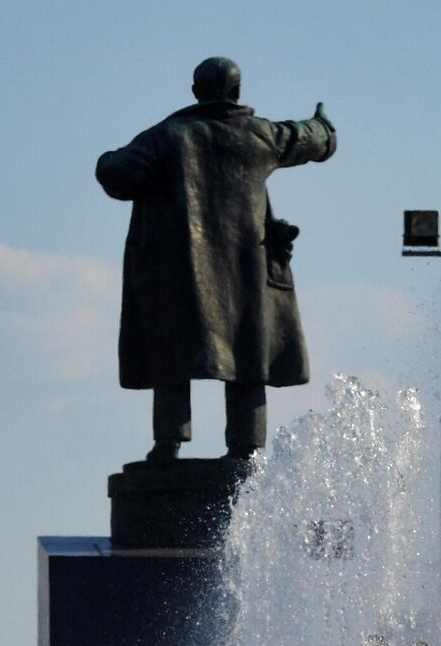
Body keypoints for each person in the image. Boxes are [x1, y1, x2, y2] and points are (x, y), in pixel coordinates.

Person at [97, 56, 337, 462]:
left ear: (196, 91)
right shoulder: (261, 136)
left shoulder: (165, 137)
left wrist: (106, 157)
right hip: (247, 272)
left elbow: (116, 175)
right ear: (238, 92)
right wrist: (324, 124)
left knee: (170, 357)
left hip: (180, 276)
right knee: (249, 354)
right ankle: (246, 448)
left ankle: (168, 444)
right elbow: (312, 138)